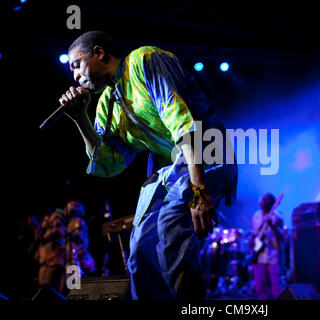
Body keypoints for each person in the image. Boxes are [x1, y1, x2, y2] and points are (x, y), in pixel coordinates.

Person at [58, 31, 237, 300]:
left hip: (205, 152)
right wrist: (79, 118)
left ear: (99, 53)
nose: (75, 76)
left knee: (170, 227)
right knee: (140, 247)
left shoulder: (145, 60)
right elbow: (109, 163)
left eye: (76, 64)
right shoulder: (106, 104)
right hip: (169, 171)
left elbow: (183, 124)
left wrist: (199, 191)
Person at [249, 193, 287, 299]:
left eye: (266, 200)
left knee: (276, 288)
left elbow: (281, 237)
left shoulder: (277, 217)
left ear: (272, 203)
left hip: (273, 256)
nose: (262, 201)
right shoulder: (256, 216)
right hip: (259, 256)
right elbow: (254, 233)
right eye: (262, 199)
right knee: (260, 287)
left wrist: (271, 225)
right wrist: (251, 240)